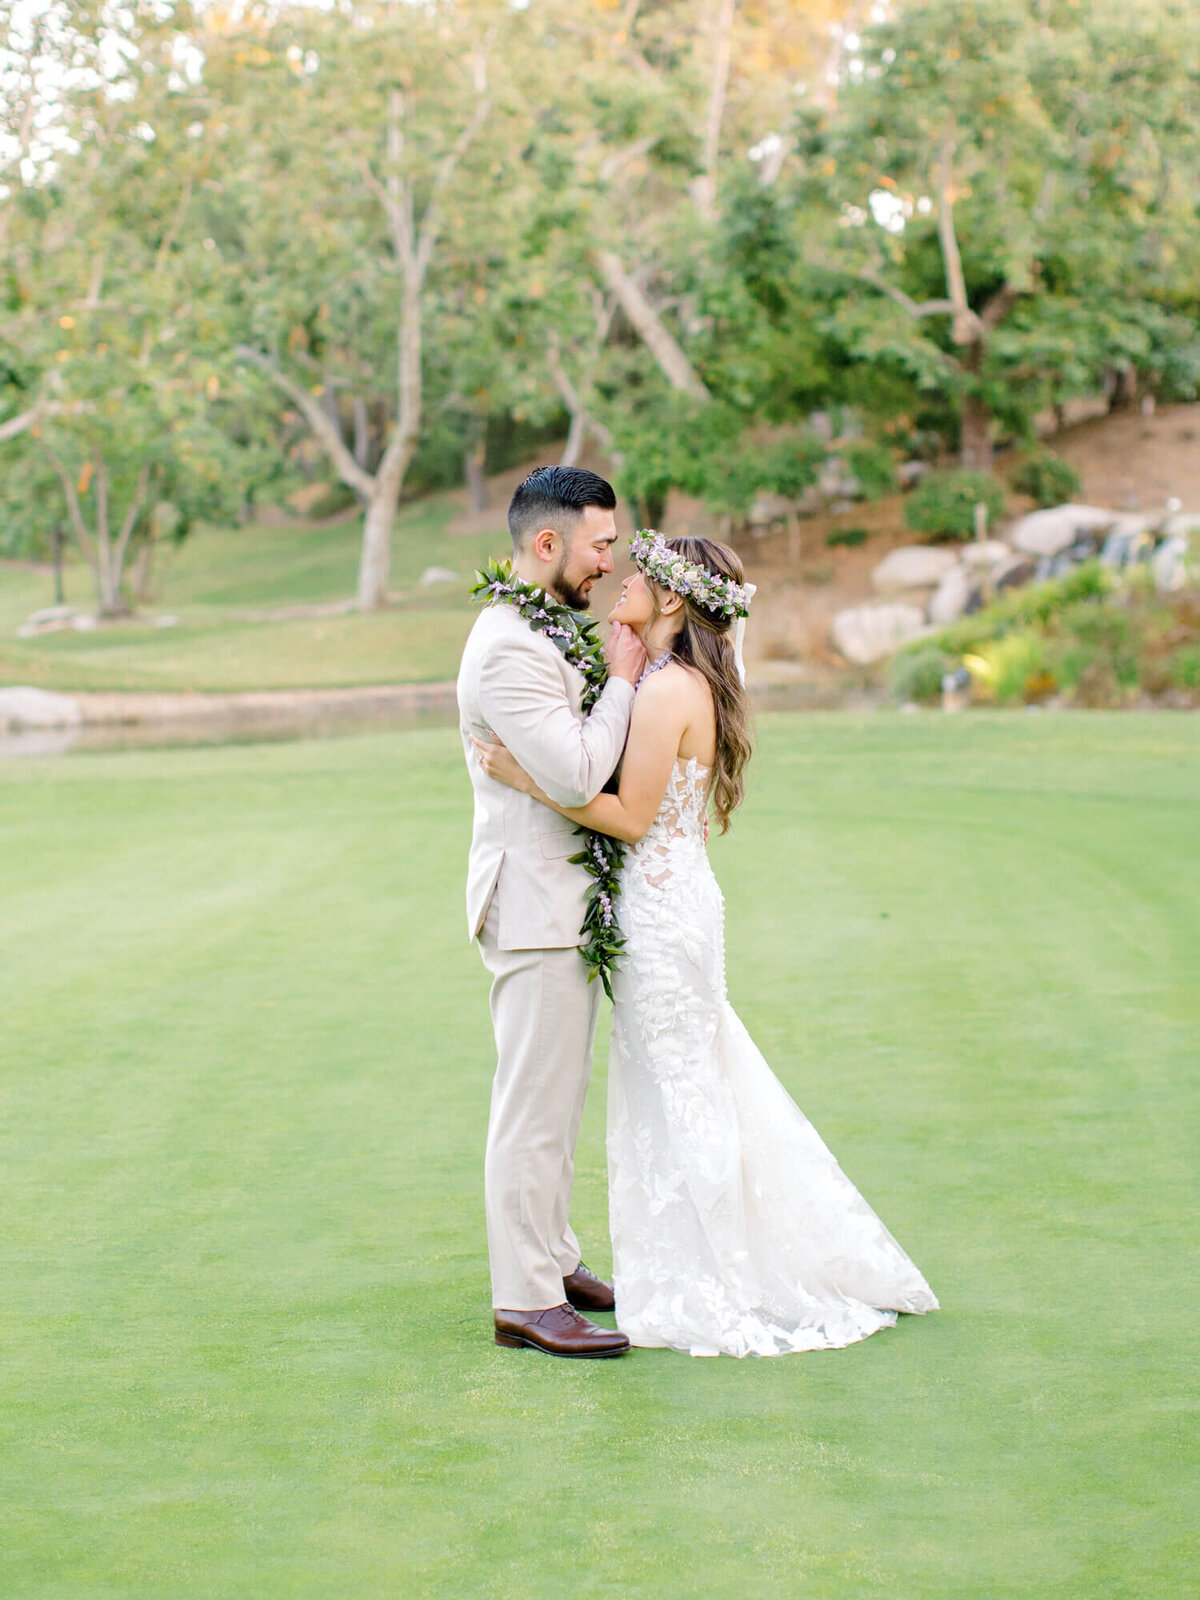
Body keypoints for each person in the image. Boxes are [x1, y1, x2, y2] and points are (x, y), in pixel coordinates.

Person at [473, 532, 938, 1357]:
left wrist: (525, 778)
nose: (618, 579)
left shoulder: (665, 690)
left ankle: (717, 1272)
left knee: (681, 1090)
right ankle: (686, 1260)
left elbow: (626, 815)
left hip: (661, 915)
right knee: (689, 1081)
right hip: (671, 904)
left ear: (674, 601)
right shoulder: (667, 679)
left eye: (639, 575)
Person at [457, 465, 646, 1358]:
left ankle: (555, 1259)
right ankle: (526, 1300)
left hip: (560, 900)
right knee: (531, 1110)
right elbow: (577, 774)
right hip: (532, 903)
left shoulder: (537, 630)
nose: (611, 561)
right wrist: (619, 679)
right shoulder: (510, 648)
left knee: (558, 1105)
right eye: (602, 543)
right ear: (548, 544)